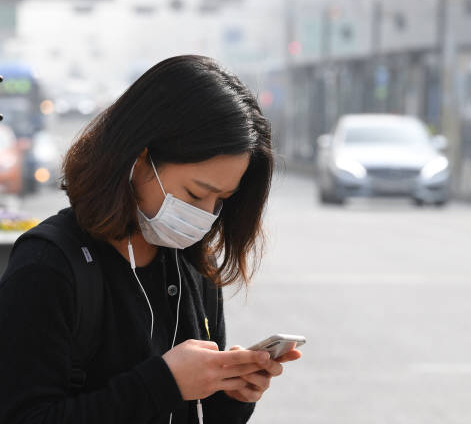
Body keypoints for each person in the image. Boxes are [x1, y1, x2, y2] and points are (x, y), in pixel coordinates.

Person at [0, 55, 302, 424]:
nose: (205, 217)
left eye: (220, 200)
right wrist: (165, 383)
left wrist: (230, 394)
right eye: (194, 194)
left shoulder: (193, 264)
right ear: (140, 158)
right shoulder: (49, 266)